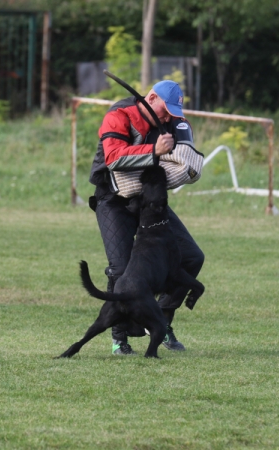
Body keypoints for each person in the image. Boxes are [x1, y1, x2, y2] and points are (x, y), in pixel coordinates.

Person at [87, 80, 205, 355]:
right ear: (151, 98)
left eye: (173, 114)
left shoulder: (169, 121)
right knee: (121, 268)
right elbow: (113, 157)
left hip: (148, 200)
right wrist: (154, 151)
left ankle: (160, 319)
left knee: (191, 257)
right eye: (165, 111)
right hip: (113, 199)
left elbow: (185, 154)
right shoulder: (118, 116)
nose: (168, 118)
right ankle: (119, 338)